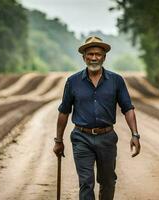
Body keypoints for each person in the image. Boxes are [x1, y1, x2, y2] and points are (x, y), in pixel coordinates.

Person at [53, 36, 141, 200]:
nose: (94, 58)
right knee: (86, 182)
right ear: (84, 57)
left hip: (107, 138)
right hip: (81, 138)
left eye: (98, 54)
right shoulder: (72, 82)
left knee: (108, 182)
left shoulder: (116, 81)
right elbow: (64, 111)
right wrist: (58, 140)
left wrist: (135, 134)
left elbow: (128, 108)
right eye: (90, 54)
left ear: (104, 57)